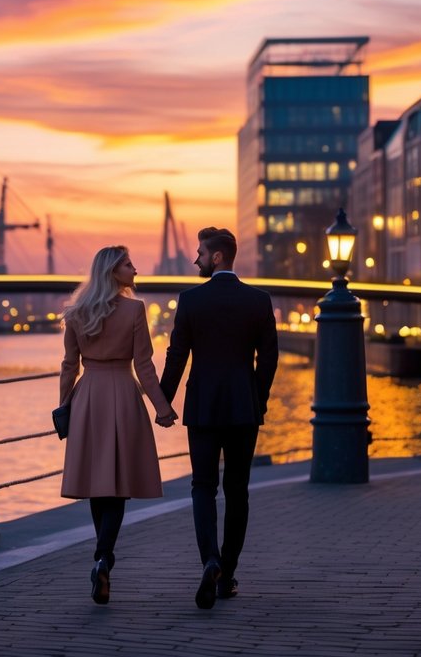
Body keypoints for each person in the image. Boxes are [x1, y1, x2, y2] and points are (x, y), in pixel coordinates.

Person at [159, 227, 278, 610]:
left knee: (202, 487)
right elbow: (269, 359)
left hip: (204, 409)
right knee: (238, 490)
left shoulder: (191, 300)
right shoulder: (259, 301)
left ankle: (209, 558)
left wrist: (164, 402)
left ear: (217, 258)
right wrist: (256, 399)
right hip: (244, 409)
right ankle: (227, 574)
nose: (195, 259)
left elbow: (177, 356)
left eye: (200, 253)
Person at [59, 245, 178, 605]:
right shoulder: (135, 310)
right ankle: (104, 558)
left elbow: (69, 366)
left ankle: (101, 558)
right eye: (128, 264)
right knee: (119, 485)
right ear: (113, 271)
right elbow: (144, 365)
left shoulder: (76, 312)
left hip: (88, 399)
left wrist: (64, 407)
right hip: (123, 395)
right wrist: (162, 407)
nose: (135, 269)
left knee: (98, 484)